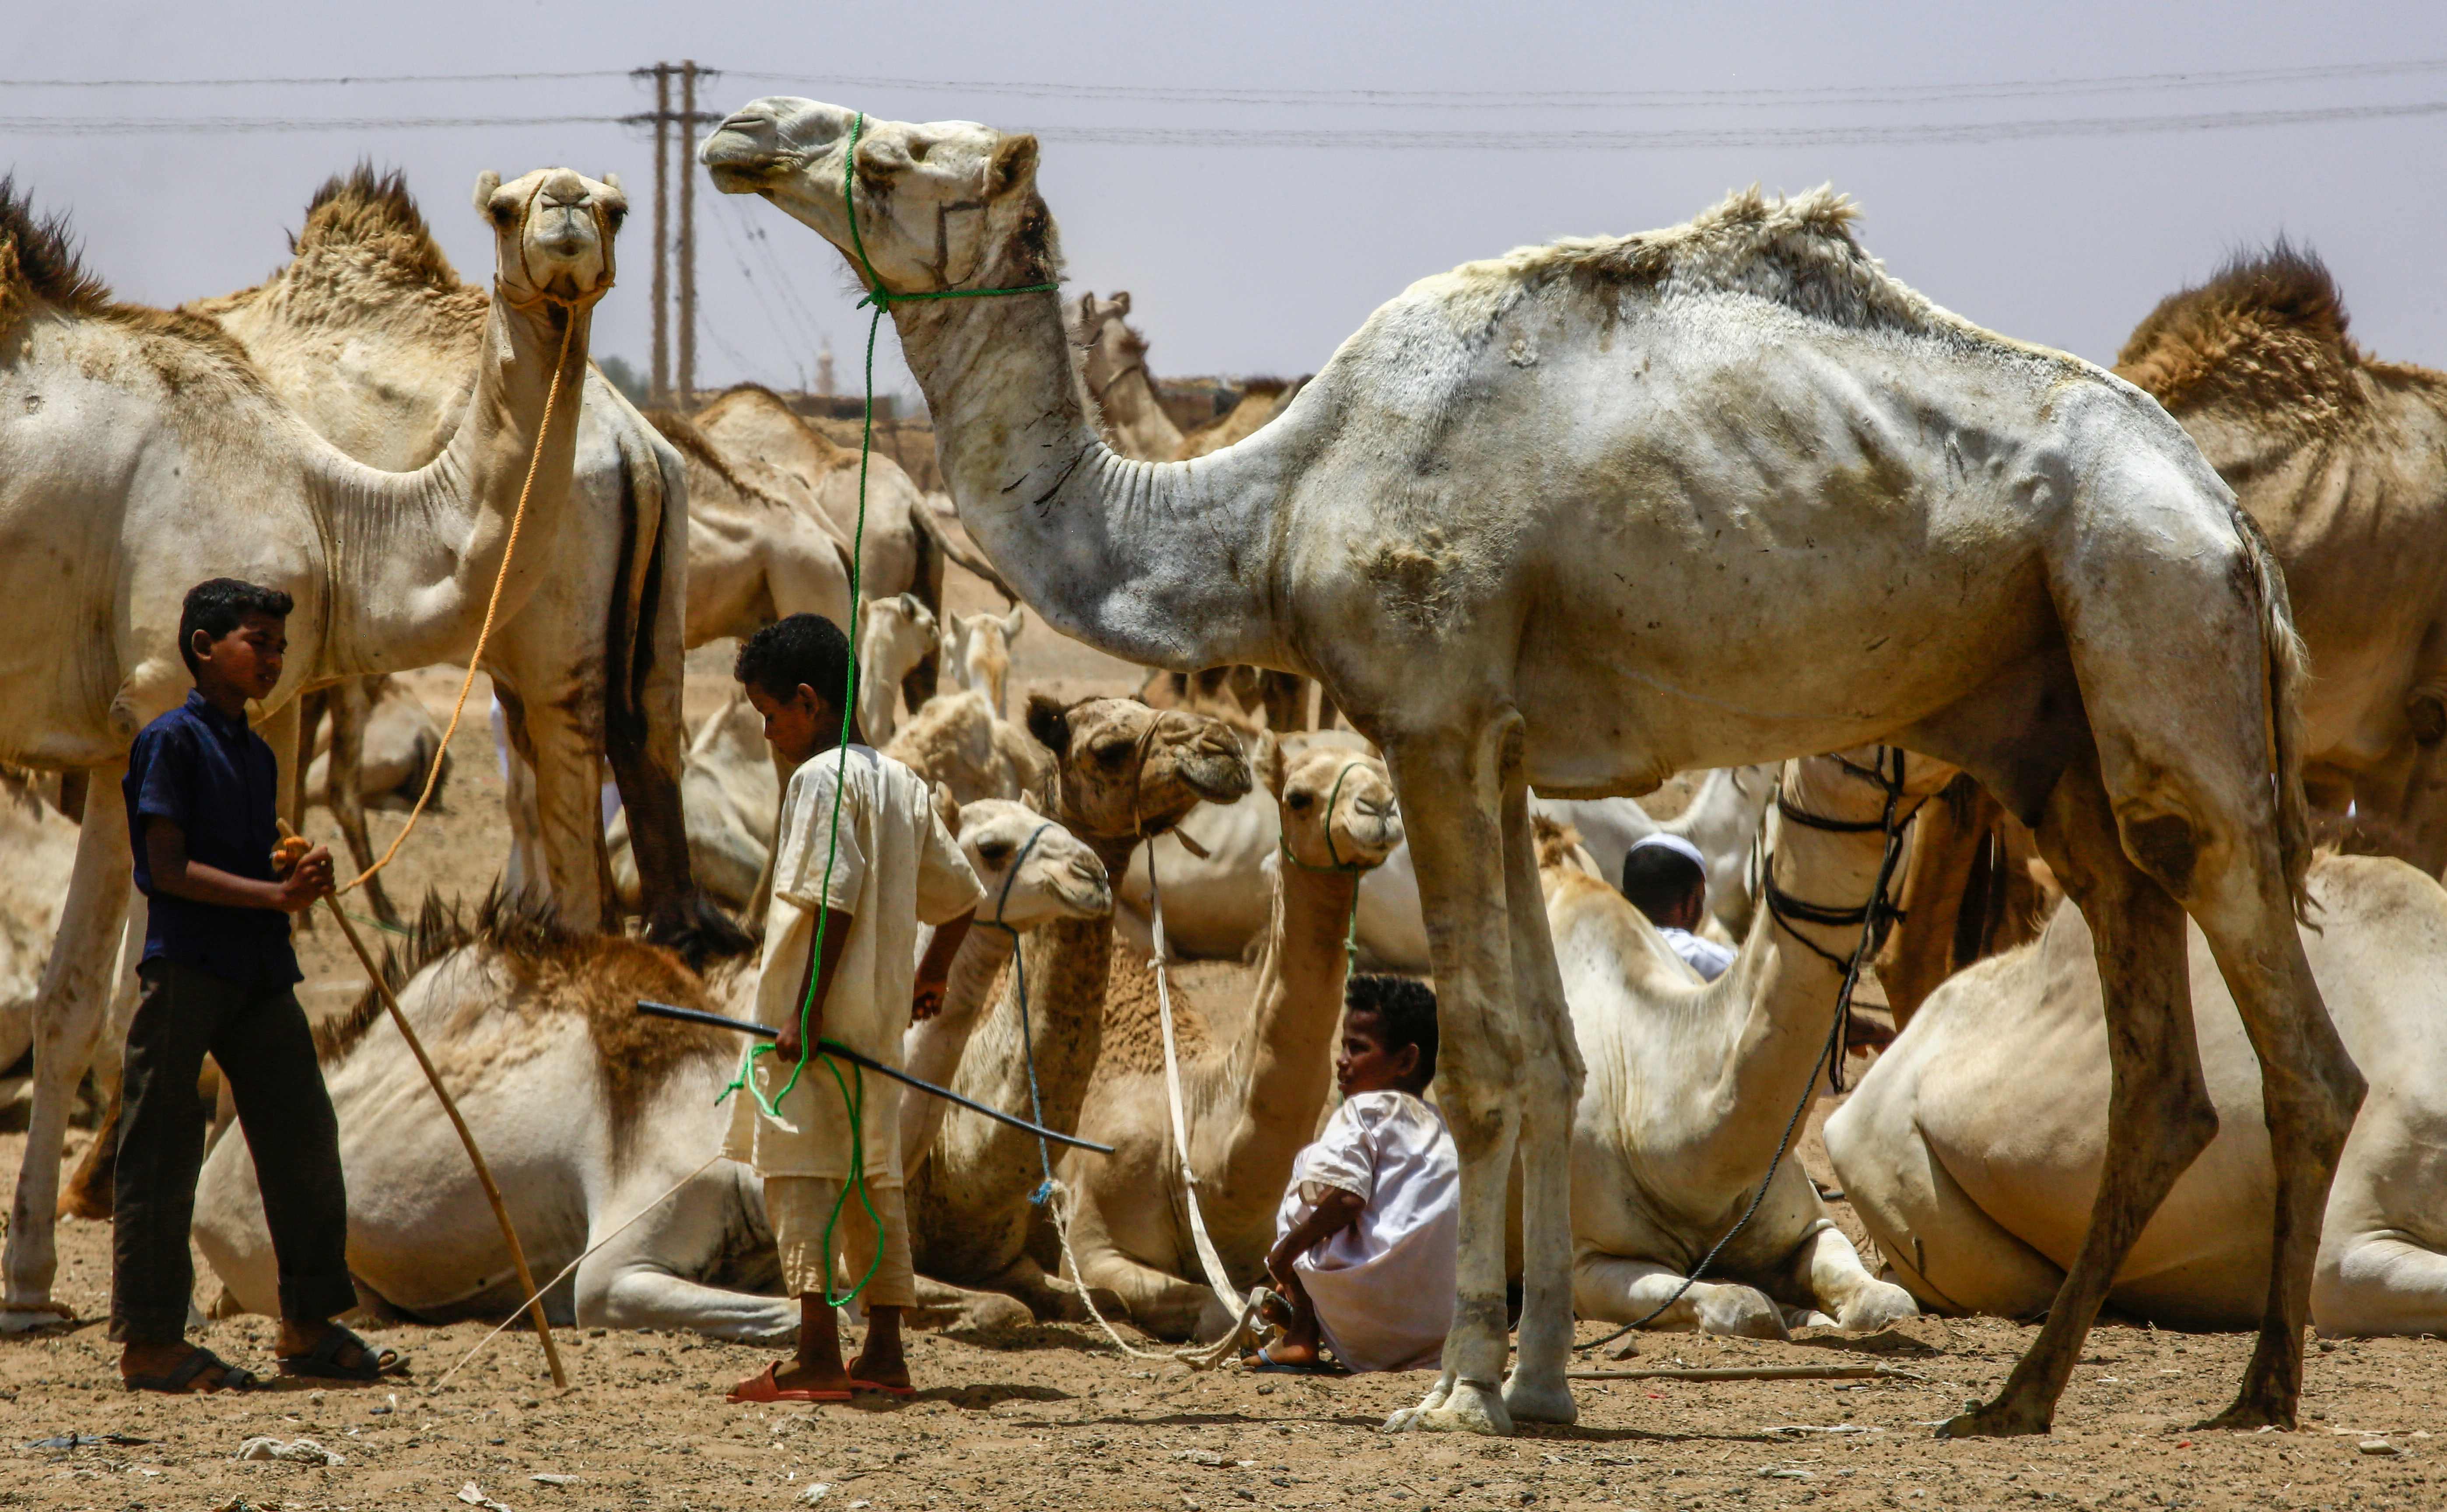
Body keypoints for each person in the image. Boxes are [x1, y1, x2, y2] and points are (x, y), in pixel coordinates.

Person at [114, 578, 404, 1392]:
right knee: (162, 1151)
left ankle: (307, 1324)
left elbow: (246, 861)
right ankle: (151, 1342)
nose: (273, 658)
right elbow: (163, 869)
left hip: (259, 973)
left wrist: (296, 867)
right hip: (188, 971)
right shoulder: (171, 741)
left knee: (304, 1138)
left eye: (279, 646)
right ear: (205, 647)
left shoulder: (257, 749)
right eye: (257, 643)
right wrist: (276, 896)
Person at [721, 613, 982, 1404]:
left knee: (803, 1176)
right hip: (875, 1035)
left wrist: (801, 1012)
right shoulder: (899, 781)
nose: (768, 732)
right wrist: (925, 976)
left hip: (819, 1033)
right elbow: (963, 896)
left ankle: (817, 1355)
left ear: (807, 702)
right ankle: (887, 1353)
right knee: (872, 1178)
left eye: (771, 715)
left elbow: (831, 900)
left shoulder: (817, 780)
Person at [1249, 974, 1458, 1375]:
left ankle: (1302, 1334)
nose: (1342, 1060)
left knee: (1311, 1170)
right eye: (1344, 1046)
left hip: (1369, 1324)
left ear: (1405, 1062)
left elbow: (1347, 1199)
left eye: (1358, 1049)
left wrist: (1284, 1256)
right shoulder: (1439, 1125)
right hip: (1435, 1335)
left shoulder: (1363, 1110)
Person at [1620, 833, 1735, 981]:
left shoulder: (1598, 948)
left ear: (1622, 898)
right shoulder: (1709, 961)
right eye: (1700, 899)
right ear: (1689, 905)